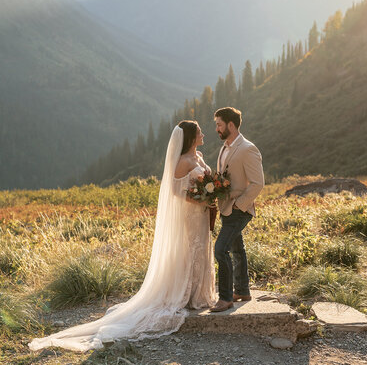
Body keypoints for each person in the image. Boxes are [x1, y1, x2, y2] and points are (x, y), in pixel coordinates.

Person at [29, 121, 216, 352]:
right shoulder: (182, 162)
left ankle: (200, 294)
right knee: (189, 250)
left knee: (201, 248)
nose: (203, 134)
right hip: (191, 214)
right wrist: (200, 199)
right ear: (190, 137)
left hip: (202, 214)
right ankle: (185, 296)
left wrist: (211, 193)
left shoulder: (198, 155)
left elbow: (204, 182)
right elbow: (176, 192)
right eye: (199, 132)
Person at [211, 107, 264, 312]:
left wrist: (237, 205)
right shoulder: (225, 147)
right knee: (236, 249)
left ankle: (225, 298)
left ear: (230, 125)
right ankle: (242, 290)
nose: (216, 128)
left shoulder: (248, 148)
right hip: (226, 208)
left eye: (219, 124)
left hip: (239, 209)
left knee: (220, 249)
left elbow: (258, 183)